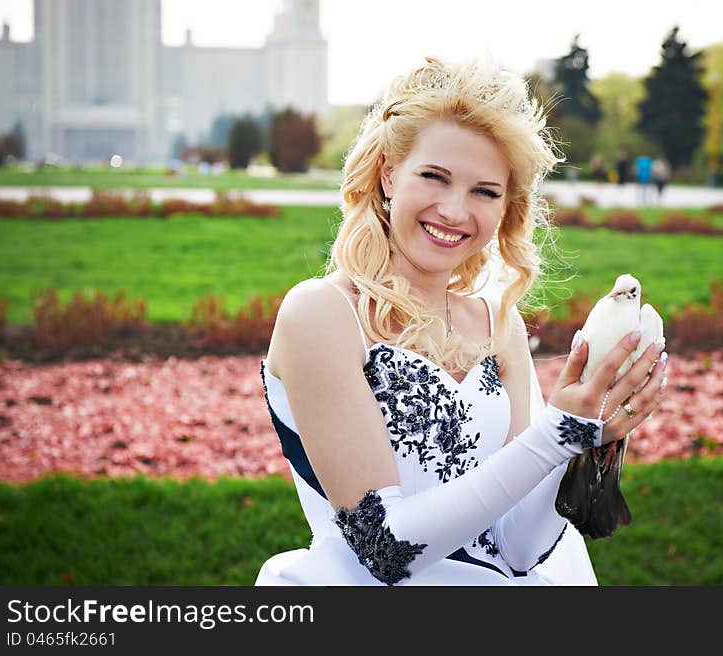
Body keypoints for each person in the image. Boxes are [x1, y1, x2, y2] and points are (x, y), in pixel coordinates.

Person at [255, 57, 668, 586]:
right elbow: (385, 548)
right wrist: (552, 435)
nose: (454, 210)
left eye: (484, 191)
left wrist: (589, 434)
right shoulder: (323, 313)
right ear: (388, 173)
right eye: (434, 176)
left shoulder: (499, 322)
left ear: (505, 207)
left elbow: (519, 549)